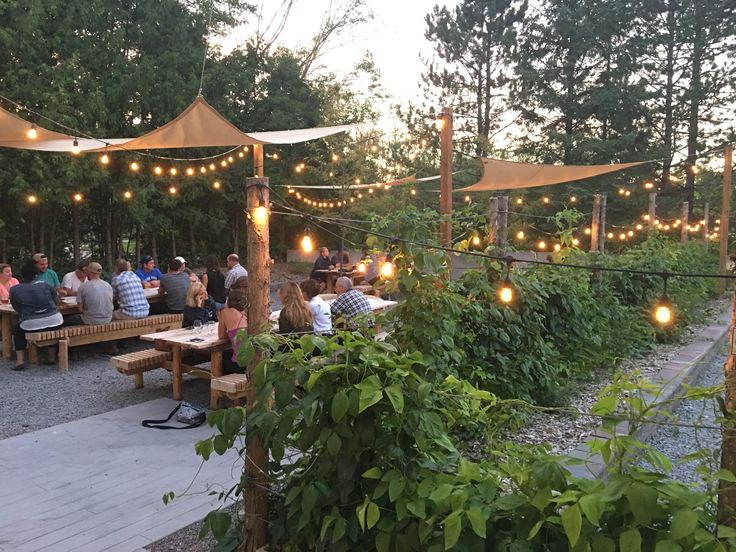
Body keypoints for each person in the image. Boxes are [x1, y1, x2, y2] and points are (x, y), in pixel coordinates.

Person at [9, 260, 63, 369]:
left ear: (22, 275)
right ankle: (51, 357)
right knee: (51, 328)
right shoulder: (45, 285)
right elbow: (56, 301)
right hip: (55, 320)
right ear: (36, 275)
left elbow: (16, 308)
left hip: (31, 323)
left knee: (17, 330)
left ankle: (20, 361)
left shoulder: (14, 290)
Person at [218, 289, 248, 374]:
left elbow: (221, 336)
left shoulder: (225, 312)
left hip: (240, 365)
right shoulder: (247, 313)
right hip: (252, 363)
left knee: (223, 358)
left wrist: (231, 334)